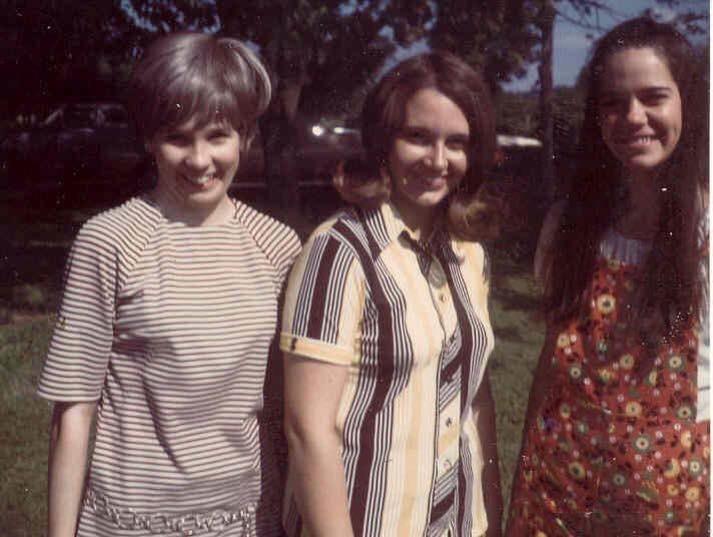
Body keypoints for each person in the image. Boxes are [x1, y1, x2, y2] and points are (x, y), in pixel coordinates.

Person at [38, 32, 300, 536]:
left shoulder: (278, 246)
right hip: (130, 523)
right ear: (149, 140)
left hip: (247, 522)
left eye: (217, 135)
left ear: (245, 136)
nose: (200, 161)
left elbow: (293, 413)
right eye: (179, 137)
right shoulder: (109, 241)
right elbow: (74, 410)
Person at [280, 51, 502, 537]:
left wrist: (491, 511)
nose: (438, 161)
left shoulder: (469, 255)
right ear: (383, 141)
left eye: (457, 143)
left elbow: (473, 394)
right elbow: (307, 432)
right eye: (418, 137)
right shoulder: (338, 251)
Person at [506, 17, 709, 536]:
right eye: (613, 103)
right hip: (554, 501)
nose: (633, 117)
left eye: (653, 97)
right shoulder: (569, 227)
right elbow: (549, 365)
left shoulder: (707, 235)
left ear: (687, 101)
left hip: (664, 511)